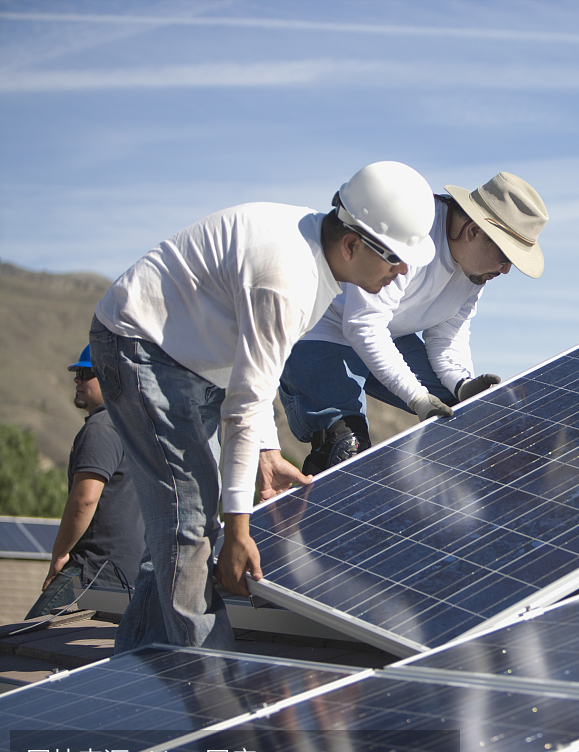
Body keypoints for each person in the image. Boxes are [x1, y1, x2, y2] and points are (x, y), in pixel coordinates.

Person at [89, 161, 437, 653]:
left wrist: (268, 455)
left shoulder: (318, 263)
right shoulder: (288, 277)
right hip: (139, 347)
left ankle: (140, 671)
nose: (401, 272)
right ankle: (214, 703)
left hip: (194, 362)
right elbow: (245, 403)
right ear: (354, 244)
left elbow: (257, 375)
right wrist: (238, 529)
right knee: (191, 530)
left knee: (175, 532)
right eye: (396, 259)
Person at [279, 172, 549, 474]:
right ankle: (314, 514)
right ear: (473, 231)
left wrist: (461, 385)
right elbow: (363, 325)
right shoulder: (413, 226)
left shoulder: (475, 269)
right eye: (505, 256)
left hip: (387, 335)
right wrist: (417, 397)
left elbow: (447, 337)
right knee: (344, 450)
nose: (506, 269)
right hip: (323, 327)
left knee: (468, 412)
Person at [25, 346, 144, 619]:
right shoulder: (137, 428)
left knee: (21, 645)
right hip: (127, 577)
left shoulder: (101, 427)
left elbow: (85, 499)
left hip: (91, 570)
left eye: (86, 373)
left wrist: (59, 556)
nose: (77, 379)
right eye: (77, 373)